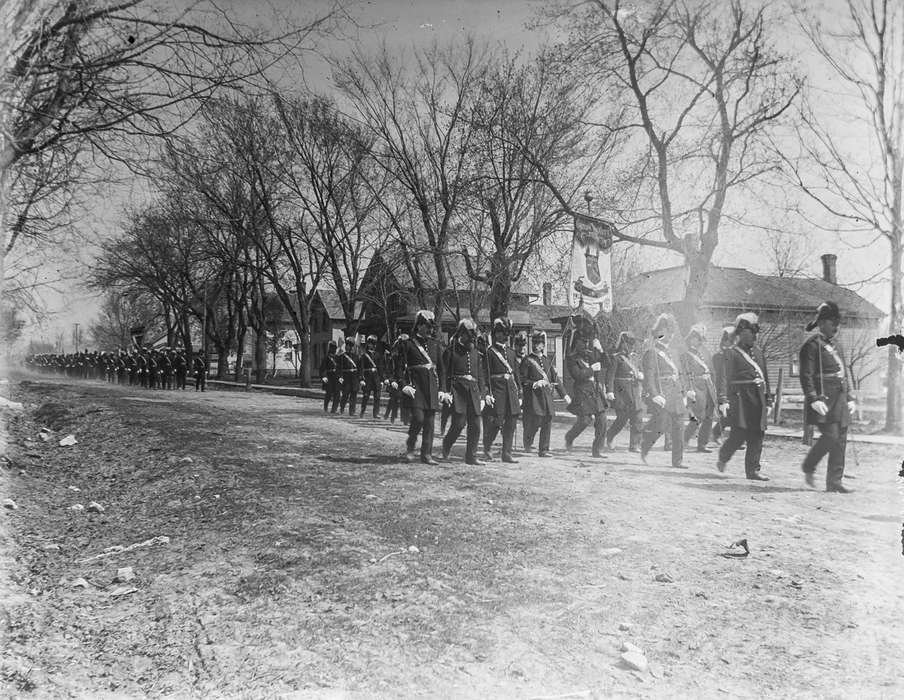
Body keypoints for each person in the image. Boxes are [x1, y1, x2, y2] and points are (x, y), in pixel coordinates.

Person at [799, 302, 856, 493]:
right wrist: (813, 398)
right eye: (833, 323)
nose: (836, 327)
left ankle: (834, 482)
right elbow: (806, 375)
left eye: (837, 323)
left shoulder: (837, 345)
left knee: (840, 439)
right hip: (823, 399)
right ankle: (809, 466)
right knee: (830, 436)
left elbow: (843, 373)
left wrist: (849, 397)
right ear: (822, 323)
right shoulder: (811, 346)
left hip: (839, 398)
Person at [715, 313, 771, 480]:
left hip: (758, 398)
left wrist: (768, 400)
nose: (755, 336)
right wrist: (723, 400)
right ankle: (724, 456)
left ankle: (753, 470)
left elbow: (765, 378)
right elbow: (723, 379)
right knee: (739, 435)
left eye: (755, 333)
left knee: (758, 434)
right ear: (741, 333)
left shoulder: (759, 353)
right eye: (751, 333)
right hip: (740, 399)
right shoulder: (731, 354)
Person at [397, 310, 445, 464]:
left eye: (431, 328)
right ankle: (411, 445)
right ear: (418, 326)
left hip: (431, 386)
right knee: (418, 419)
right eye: (427, 327)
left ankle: (426, 454)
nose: (430, 330)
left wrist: (443, 389)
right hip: (415, 386)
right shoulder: (408, 344)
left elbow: (442, 370)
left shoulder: (435, 345)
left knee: (430, 423)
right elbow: (398, 368)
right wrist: (403, 385)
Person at [640, 314, 687, 469]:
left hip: (676, 395)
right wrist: (654, 395)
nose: (670, 335)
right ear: (658, 332)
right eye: (666, 331)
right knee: (659, 426)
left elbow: (680, 374)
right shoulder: (651, 352)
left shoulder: (673, 353)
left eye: (671, 331)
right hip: (662, 394)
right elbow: (649, 376)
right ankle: (645, 447)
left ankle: (677, 461)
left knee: (679, 427)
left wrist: (685, 393)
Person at [441, 319, 486, 465]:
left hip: (473, 391)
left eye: (473, 336)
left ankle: (471, 457)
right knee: (459, 424)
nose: (472, 339)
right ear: (461, 334)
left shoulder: (476, 353)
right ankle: (447, 444)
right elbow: (444, 373)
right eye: (469, 336)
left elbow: (480, 376)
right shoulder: (451, 351)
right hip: (458, 391)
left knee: (476, 425)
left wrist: (483, 396)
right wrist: (445, 391)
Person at [521, 331, 569, 458]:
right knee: (537, 421)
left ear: (543, 345)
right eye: (535, 343)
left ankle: (543, 449)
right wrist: (535, 383)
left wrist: (564, 395)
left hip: (547, 397)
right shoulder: (527, 361)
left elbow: (556, 379)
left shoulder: (547, 361)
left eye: (540, 343)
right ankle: (528, 439)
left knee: (547, 420)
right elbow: (522, 380)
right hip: (534, 398)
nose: (537, 345)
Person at [564, 325, 608, 459]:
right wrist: (591, 370)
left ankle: (597, 450)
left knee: (602, 420)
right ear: (576, 343)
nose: (585, 344)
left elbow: (606, 362)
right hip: (582, 391)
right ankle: (570, 436)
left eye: (586, 341)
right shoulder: (571, 358)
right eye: (582, 342)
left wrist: (600, 349)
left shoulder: (590, 355)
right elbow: (577, 375)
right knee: (585, 420)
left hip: (594, 390)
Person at [482, 317, 522, 463]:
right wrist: (486, 393)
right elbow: (484, 374)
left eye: (507, 333)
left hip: (511, 391)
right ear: (496, 333)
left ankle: (507, 453)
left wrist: (520, 393)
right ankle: (487, 447)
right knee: (497, 422)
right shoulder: (490, 352)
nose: (505, 336)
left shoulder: (511, 353)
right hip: (497, 391)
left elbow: (516, 374)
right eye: (501, 333)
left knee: (511, 422)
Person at [605, 331, 644, 452]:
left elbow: (641, 371)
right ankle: (610, 435)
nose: (631, 346)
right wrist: (610, 391)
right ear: (623, 344)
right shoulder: (616, 358)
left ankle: (634, 445)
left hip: (634, 391)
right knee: (622, 419)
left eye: (633, 343)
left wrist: (641, 375)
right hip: (621, 392)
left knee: (637, 418)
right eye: (629, 343)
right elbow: (610, 376)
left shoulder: (636, 358)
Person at [681, 324, 718, 453]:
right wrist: (689, 389)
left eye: (701, 339)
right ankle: (683, 440)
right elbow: (686, 374)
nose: (700, 342)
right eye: (698, 339)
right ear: (691, 339)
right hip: (696, 387)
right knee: (698, 416)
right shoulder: (686, 355)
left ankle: (702, 444)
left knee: (709, 416)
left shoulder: (704, 353)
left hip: (708, 386)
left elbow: (712, 371)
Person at [710, 326, 736, 445]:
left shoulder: (735, 355)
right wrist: (722, 395)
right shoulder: (719, 356)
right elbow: (722, 377)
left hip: (735, 388)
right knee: (728, 414)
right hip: (724, 388)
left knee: (735, 414)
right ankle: (716, 434)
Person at [358, 335, 383, 418]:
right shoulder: (364, 355)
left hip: (376, 378)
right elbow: (361, 368)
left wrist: (382, 380)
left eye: (373, 343)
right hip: (368, 378)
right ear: (368, 344)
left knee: (377, 397)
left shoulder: (378, 355)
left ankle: (376, 413)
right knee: (366, 396)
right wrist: (361, 379)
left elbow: (380, 368)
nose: (371, 345)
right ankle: (362, 411)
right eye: (370, 343)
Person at [337, 338, 360, 416]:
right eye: (347, 345)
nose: (349, 347)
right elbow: (338, 368)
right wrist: (340, 376)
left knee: (354, 395)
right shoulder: (342, 357)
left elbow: (359, 368)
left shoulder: (356, 357)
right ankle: (342, 408)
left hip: (354, 378)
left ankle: (352, 411)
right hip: (346, 378)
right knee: (345, 395)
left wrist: (360, 378)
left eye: (350, 346)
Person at [319, 340, 340, 413]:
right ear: (329, 348)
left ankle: (334, 409)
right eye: (332, 348)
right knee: (329, 393)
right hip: (329, 377)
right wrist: (324, 377)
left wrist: (340, 377)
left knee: (337, 394)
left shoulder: (338, 358)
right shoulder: (326, 358)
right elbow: (322, 369)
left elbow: (340, 368)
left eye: (334, 348)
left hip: (336, 377)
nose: (333, 349)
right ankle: (325, 408)